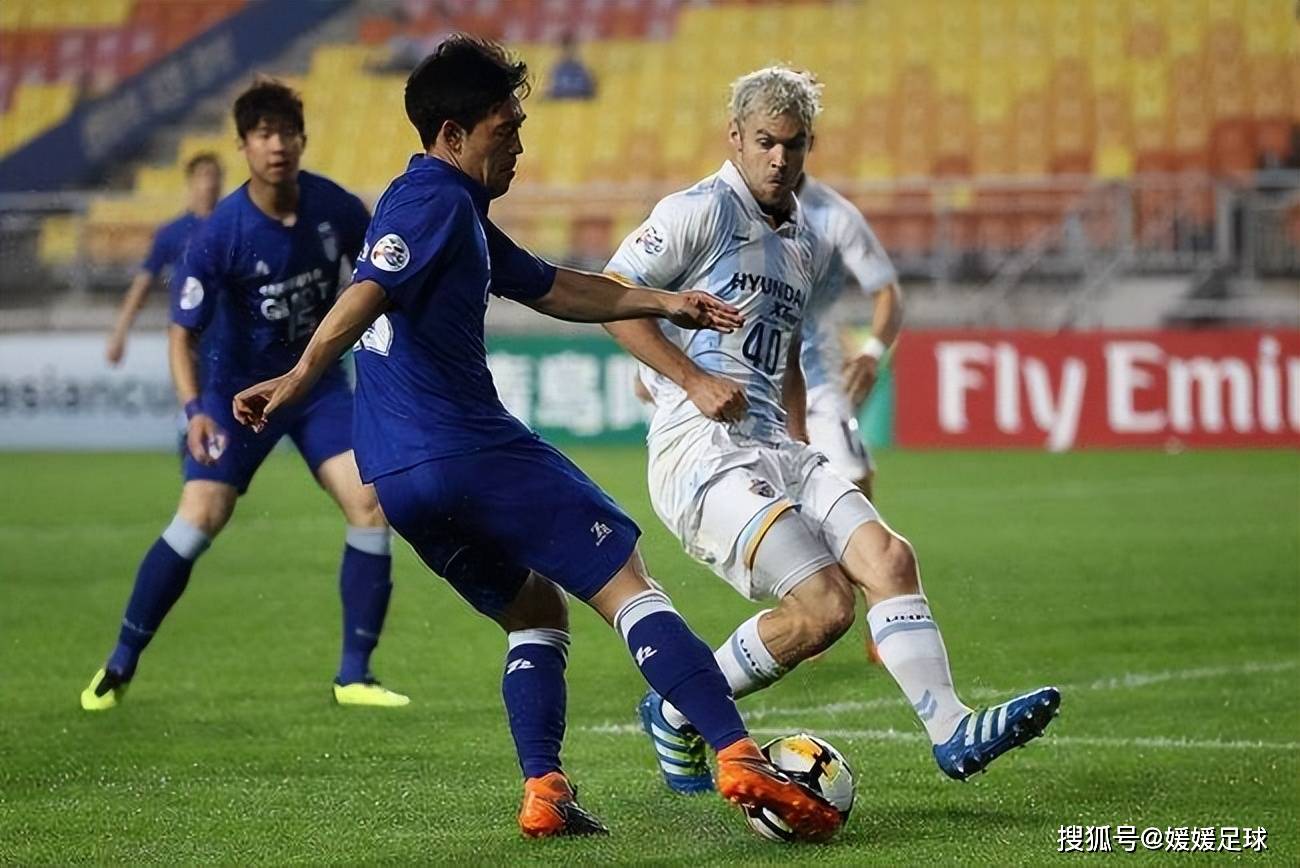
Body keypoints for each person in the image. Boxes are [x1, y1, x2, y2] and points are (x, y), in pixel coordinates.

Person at [231, 36, 841, 841]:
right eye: (504, 128)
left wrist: (663, 304)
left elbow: (553, 287)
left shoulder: (456, 216)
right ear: (452, 135)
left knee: (535, 612)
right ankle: (734, 753)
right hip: (467, 447)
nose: (519, 142)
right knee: (626, 581)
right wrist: (299, 376)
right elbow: (368, 290)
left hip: (402, 478)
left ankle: (544, 787)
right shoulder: (434, 203)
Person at [603, 66, 1061, 796]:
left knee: (890, 558)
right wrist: (689, 378)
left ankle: (951, 730)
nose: (780, 159)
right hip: (702, 452)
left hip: (777, 445)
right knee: (826, 608)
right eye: (765, 143)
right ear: (736, 139)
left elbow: (781, 352)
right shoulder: (699, 210)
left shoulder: (805, 245)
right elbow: (612, 296)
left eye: (794, 145)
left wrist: (800, 441)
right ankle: (677, 709)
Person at [80, 78, 408, 712]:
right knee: (201, 516)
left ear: (303, 140)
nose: (277, 146)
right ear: (243, 146)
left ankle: (354, 675)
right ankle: (120, 662)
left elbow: (379, 279)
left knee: (369, 505)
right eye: (263, 135)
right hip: (235, 398)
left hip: (313, 388)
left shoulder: (335, 208)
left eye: (287, 133)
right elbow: (181, 335)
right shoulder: (219, 234)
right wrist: (195, 409)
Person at [797, 172, 902, 500]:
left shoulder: (834, 215)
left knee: (857, 491)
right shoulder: (725, 208)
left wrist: (871, 351)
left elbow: (887, 291)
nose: (779, 157)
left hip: (817, 385)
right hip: (752, 393)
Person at [105, 153, 223, 366]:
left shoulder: (233, 227)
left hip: (230, 335)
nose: (210, 183)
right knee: (194, 397)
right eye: (204, 176)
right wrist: (120, 333)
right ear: (191, 182)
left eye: (215, 176)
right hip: (189, 336)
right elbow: (143, 283)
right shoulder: (172, 232)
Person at [545, 32, 596, 101]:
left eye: (571, 48)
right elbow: (550, 91)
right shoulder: (556, 69)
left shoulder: (582, 68)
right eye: (565, 48)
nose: (568, 51)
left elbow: (591, 91)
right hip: (561, 105)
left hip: (579, 103)